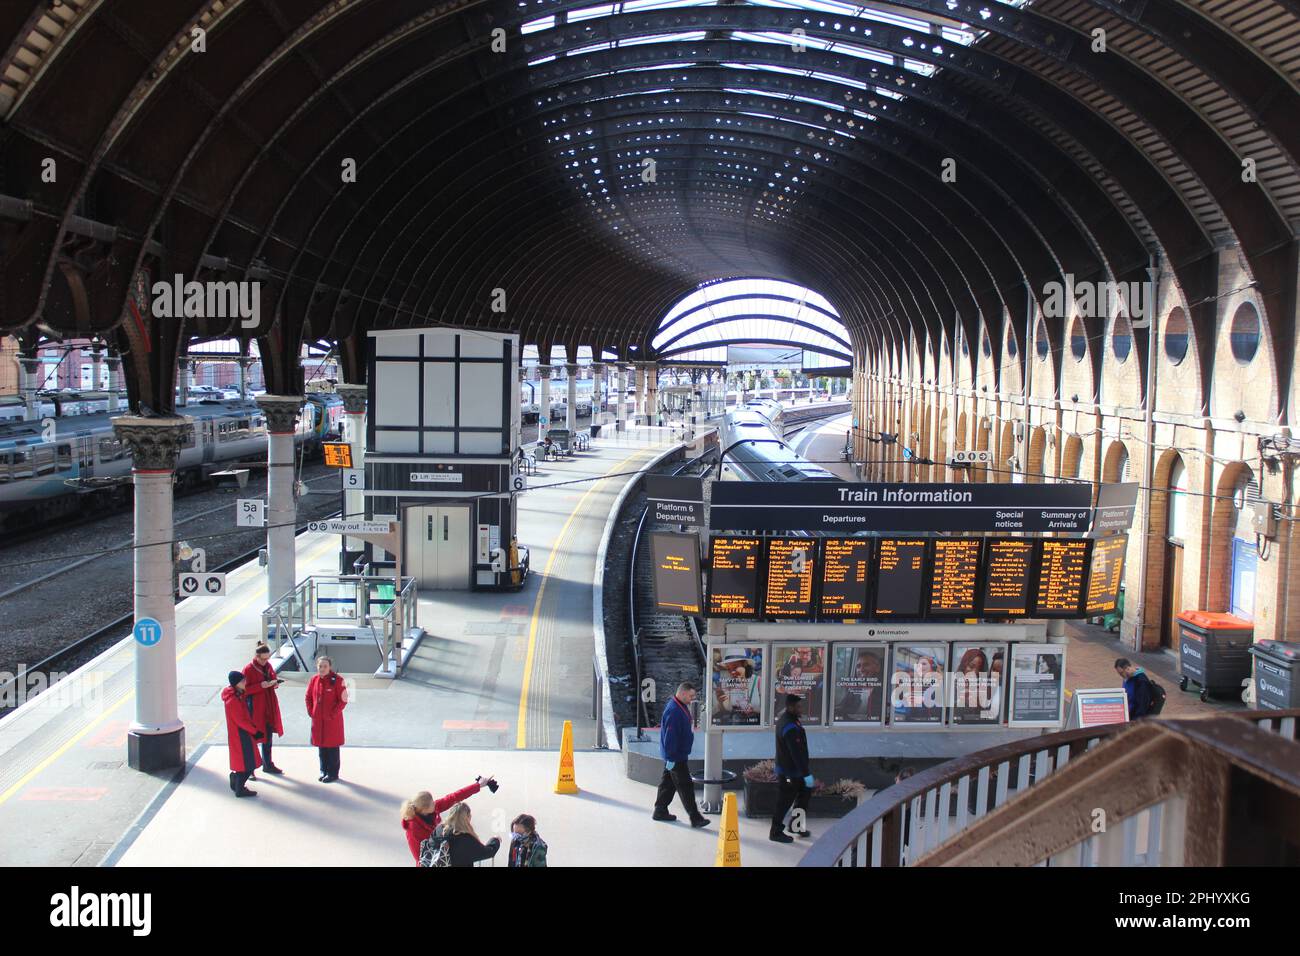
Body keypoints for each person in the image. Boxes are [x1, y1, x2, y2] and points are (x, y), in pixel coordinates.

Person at [401, 775, 498, 865]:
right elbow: (421, 857)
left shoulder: (431, 810)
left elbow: (453, 798)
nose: (435, 804)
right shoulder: (413, 829)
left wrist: (477, 786)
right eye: (432, 804)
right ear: (424, 809)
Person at [653, 681, 709, 828]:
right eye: (691, 696)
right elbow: (670, 736)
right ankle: (695, 817)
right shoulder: (674, 711)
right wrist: (671, 757)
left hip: (676, 755)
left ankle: (660, 810)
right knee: (685, 786)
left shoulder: (679, 706)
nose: (692, 699)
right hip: (676, 757)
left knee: (668, 784)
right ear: (683, 693)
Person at [771, 694, 813, 843]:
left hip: (796, 771)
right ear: (790, 707)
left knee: (804, 794)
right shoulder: (789, 726)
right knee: (784, 801)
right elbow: (796, 753)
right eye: (799, 706)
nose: (801, 709)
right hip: (790, 772)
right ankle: (775, 831)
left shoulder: (791, 721)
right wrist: (806, 774)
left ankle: (796, 825)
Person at [241, 643, 285, 775]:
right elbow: (243, 690)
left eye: (267, 658)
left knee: (267, 738)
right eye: (263, 659)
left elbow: (272, 678)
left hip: (268, 707)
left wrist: (274, 683)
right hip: (255, 709)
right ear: (256, 657)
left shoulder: (268, 666)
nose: (266, 661)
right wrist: (261, 686)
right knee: (252, 740)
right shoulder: (248, 669)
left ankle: (267, 764)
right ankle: (250, 770)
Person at [305, 655, 347, 782]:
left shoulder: (338, 680)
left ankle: (333, 773)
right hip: (318, 720)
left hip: (331, 722)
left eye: (325, 666)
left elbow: (343, 701)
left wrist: (332, 714)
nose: (322, 669)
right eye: (320, 666)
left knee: (332, 748)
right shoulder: (314, 680)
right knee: (321, 747)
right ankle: (323, 770)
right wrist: (311, 711)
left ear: (330, 667)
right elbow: (308, 697)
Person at [222, 671, 262, 798]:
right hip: (241, 736)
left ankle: (237, 783)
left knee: (245, 764)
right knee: (248, 764)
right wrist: (255, 731)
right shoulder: (233, 700)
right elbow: (240, 720)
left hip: (242, 734)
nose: (245, 682)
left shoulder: (236, 695)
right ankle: (239, 788)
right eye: (242, 681)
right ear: (236, 684)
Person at [440, 802, 501, 867]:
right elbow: (487, 852)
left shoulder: (440, 830)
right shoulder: (465, 839)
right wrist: (495, 840)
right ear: (466, 818)